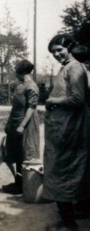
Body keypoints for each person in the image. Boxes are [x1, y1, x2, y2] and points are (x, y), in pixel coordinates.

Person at [43, 34, 90, 231]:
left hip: (70, 131)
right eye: (53, 52)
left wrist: (53, 101)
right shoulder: (66, 68)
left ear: (69, 47)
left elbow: (78, 99)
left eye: (60, 50)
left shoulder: (75, 68)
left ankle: (69, 224)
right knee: (60, 173)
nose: (57, 54)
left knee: (63, 173)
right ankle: (67, 219)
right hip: (62, 131)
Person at [2, 60, 40, 195]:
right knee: (15, 153)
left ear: (21, 72)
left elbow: (31, 108)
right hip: (15, 122)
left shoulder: (31, 86)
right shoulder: (21, 85)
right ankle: (18, 183)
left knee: (24, 153)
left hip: (25, 124)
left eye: (16, 71)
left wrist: (22, 126)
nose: (14, 73)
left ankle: (24, 185)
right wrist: (10, 124)